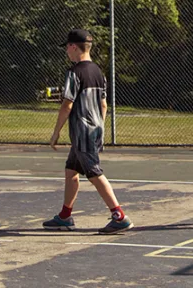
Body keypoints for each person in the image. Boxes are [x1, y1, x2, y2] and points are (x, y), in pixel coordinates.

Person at [45, 29, 132, 234]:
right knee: (71, 171)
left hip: (82, 132)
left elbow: (67, 104)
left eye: (67, 46)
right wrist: (99, 127)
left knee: (93, 172)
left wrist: (56, 132)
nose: (66, 50)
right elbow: (103, 105)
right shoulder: (98, 72)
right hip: (92, 130)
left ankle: (119, 215)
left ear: (74, 47)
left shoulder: (74, 73)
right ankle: (65, 216)